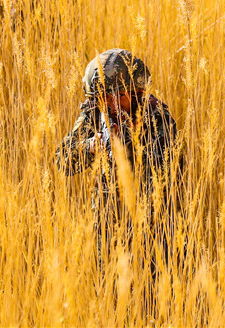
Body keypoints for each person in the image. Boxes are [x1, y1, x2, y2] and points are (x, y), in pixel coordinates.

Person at [55, 49, 182, 303]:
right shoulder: (95, 112)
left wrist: (131, 147)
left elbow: (167, 168)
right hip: (108, 225)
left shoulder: (156, 116)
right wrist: (91, 146)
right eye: (104, 98)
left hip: (154, 228)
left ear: (136, 93)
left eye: (118, 97)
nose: (111, 105)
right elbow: (62, 159)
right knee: (111, 300)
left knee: (154, 301)